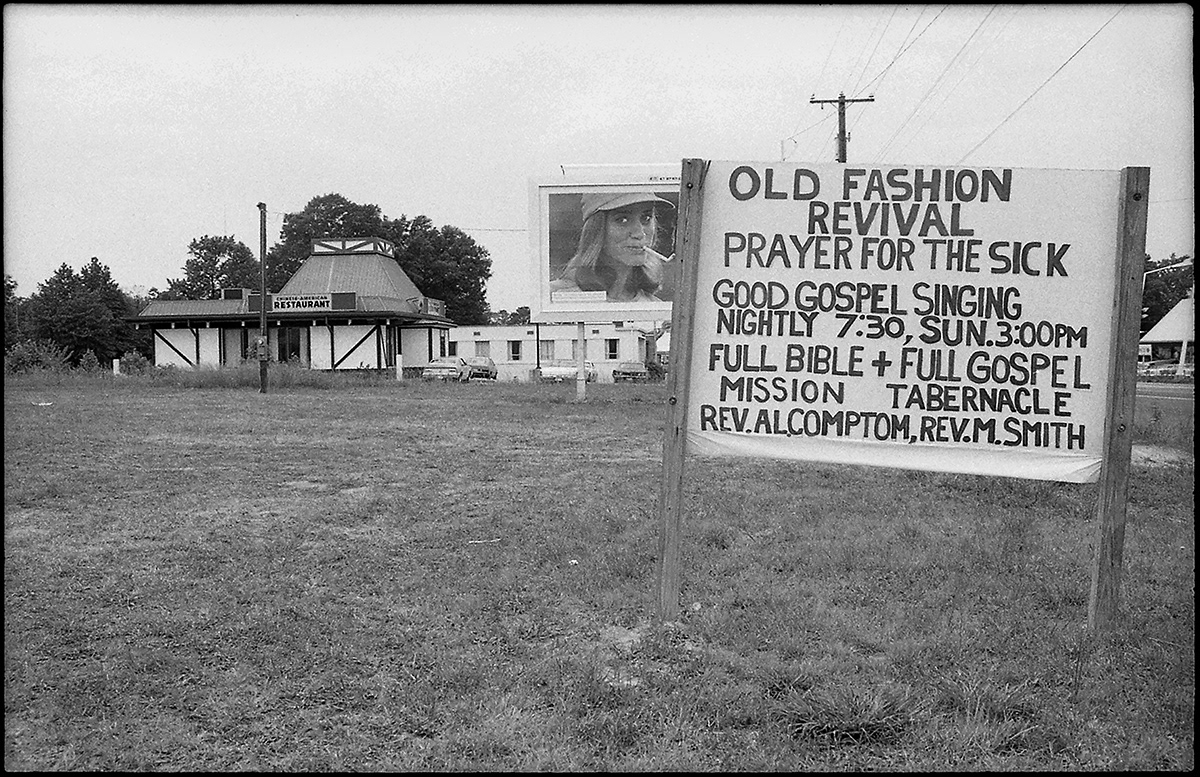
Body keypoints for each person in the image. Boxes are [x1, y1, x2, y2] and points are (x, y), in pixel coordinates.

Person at [550, 192, 676, 302]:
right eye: (623, 220)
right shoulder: (555, 298)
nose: (639, 233)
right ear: (596, 230)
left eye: (646, 218)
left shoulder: (655, 306)